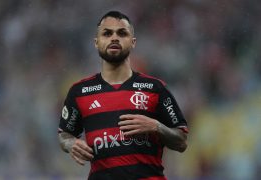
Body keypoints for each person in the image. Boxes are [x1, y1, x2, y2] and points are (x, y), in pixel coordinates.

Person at [58, 11, 188, 180]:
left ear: (132, 42)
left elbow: (182, 142)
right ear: (96, 43)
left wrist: (156, 126)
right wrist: (71, 144)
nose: (114, 38)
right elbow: (64, 135)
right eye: (107, 33)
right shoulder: (79, 91)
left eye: (122, 33)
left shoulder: (155, 88)